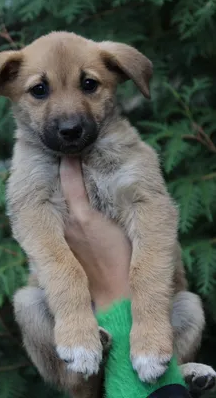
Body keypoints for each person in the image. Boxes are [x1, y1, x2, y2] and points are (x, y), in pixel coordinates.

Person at [60, 157, 191, 398]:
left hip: (144, 315)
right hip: (80, 318)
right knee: (29, 304)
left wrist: (114, 290)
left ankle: (174, 366)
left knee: (190, 308)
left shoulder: (128, 151)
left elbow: (159, 217)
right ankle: (83, 383)